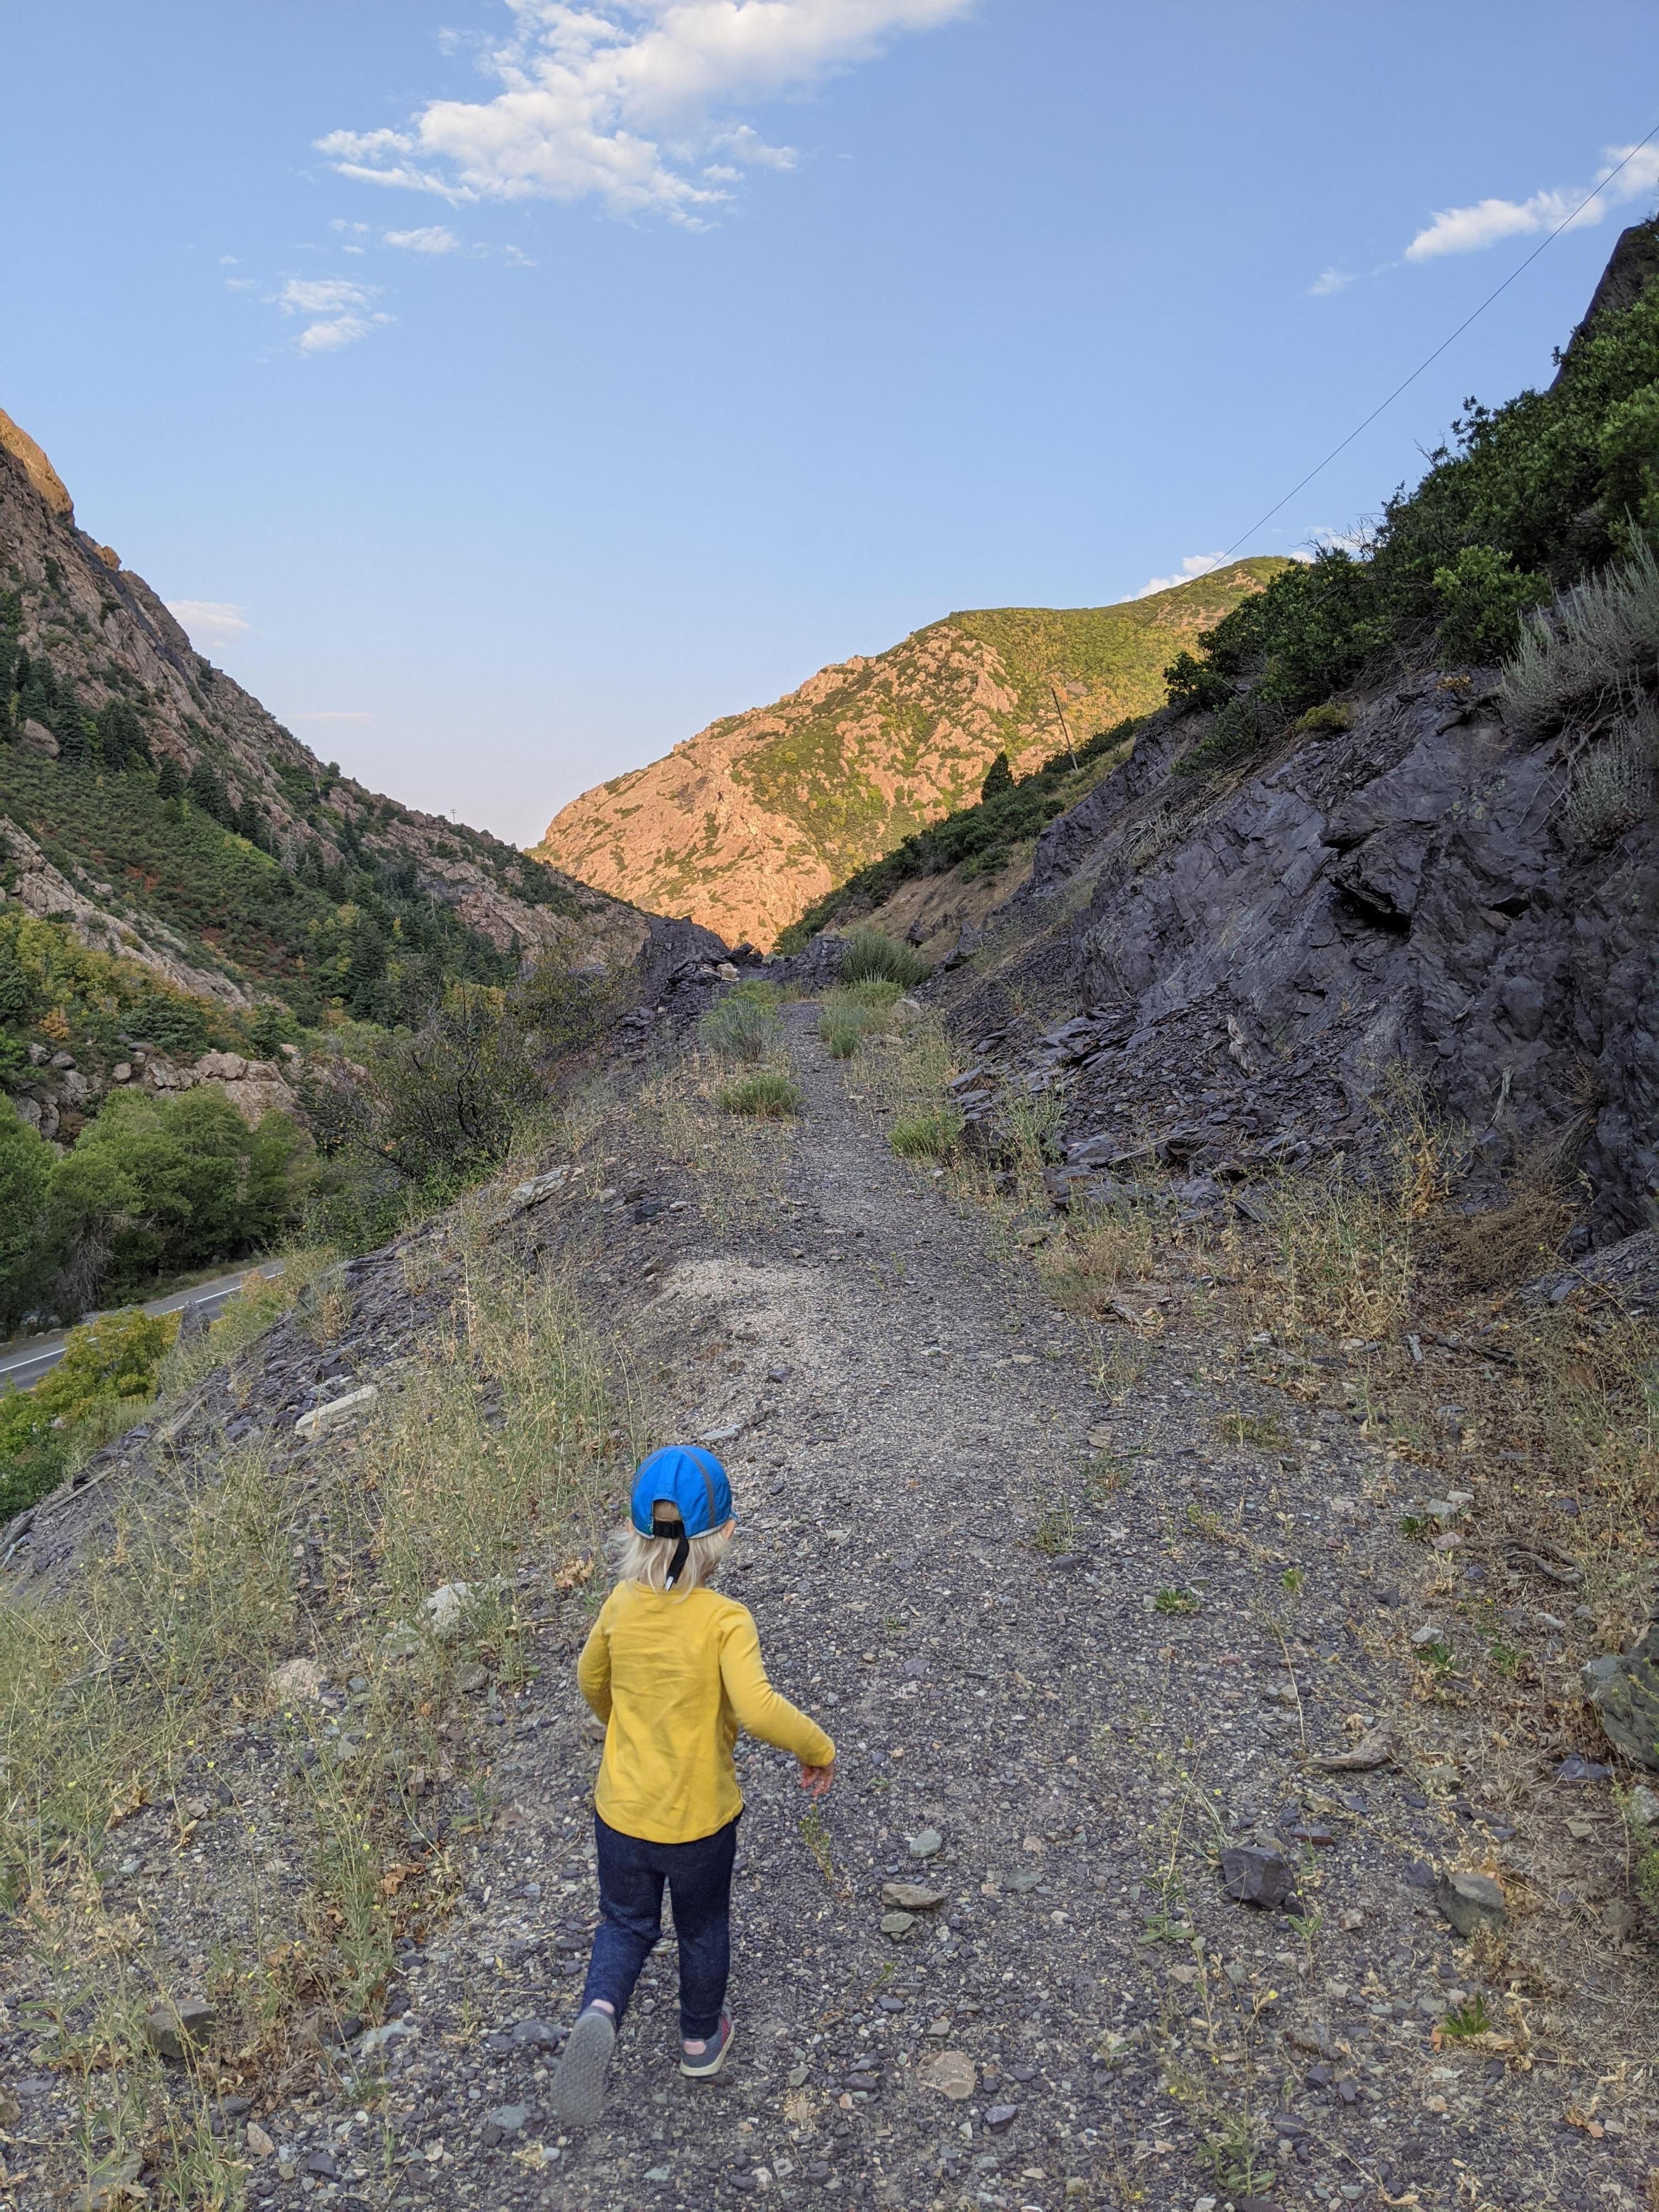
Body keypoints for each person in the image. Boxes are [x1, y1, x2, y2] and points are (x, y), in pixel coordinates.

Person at [551, 1444, 836, 2127]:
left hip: (620, 1814)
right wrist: (817, 1747)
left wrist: (621, 1724)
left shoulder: (620, 1604)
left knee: (625, 1922)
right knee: (702, 1927)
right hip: (700, 1823)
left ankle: (601, 2010)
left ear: (633, 1532)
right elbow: (759, 1708)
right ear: (726, 1533)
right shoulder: (725, 1620)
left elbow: (591, 1679)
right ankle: (700, 2040)